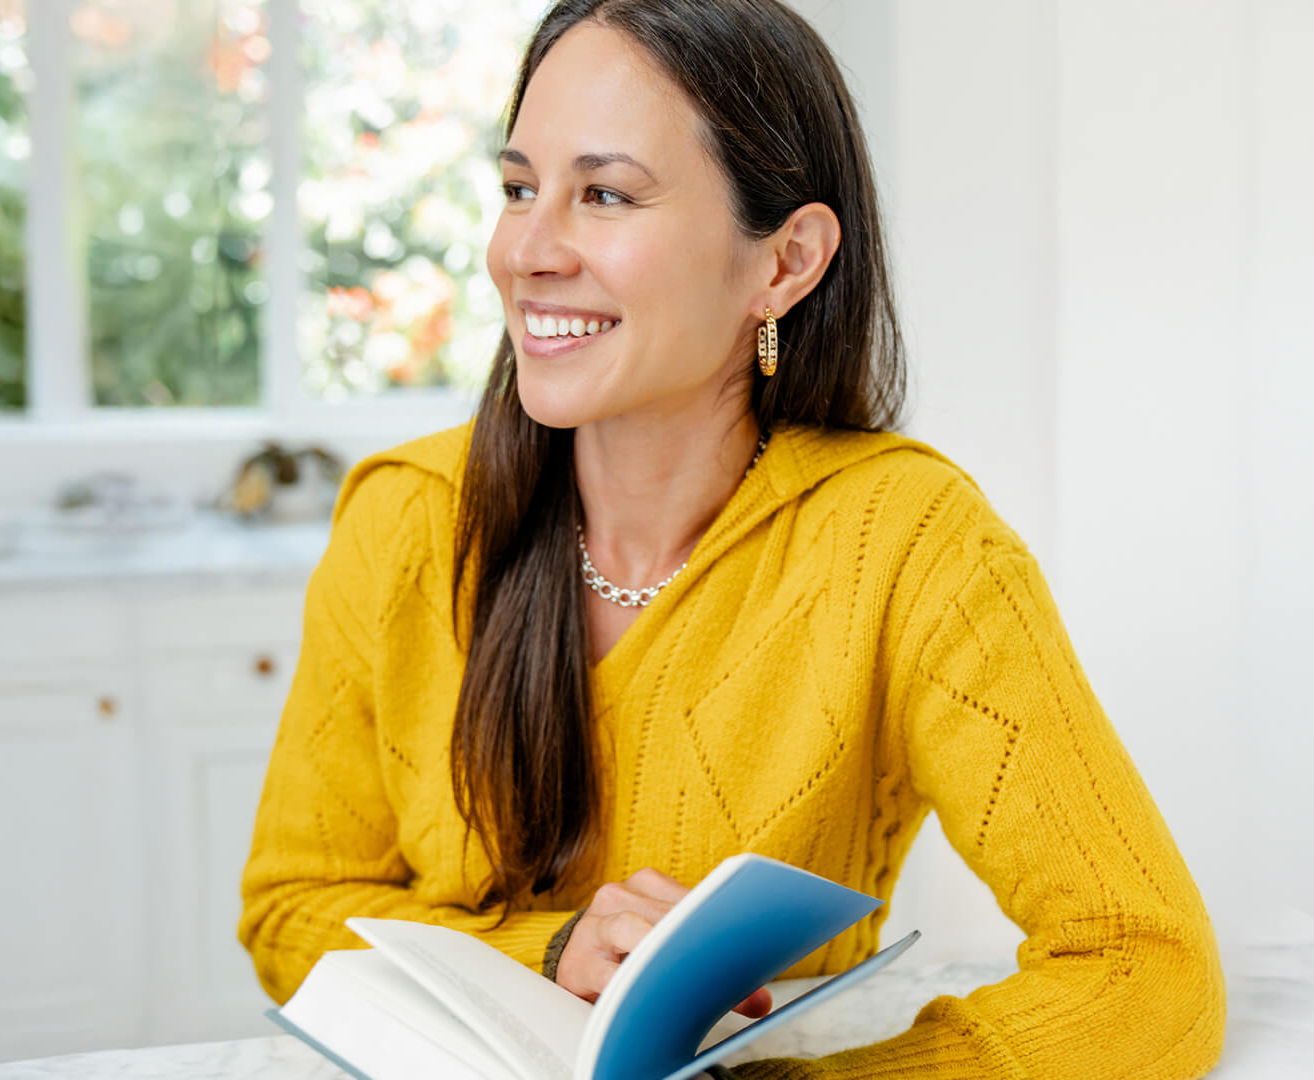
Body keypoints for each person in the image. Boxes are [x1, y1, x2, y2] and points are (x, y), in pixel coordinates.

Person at [238, 1, 1227, 1076]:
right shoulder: (405, 518)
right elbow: (292, 914)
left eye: (604, 194)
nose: (525, 249)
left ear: (784, 263)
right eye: (519, 188)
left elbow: (1146, 965)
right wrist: (551, 951)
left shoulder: (909, 546)